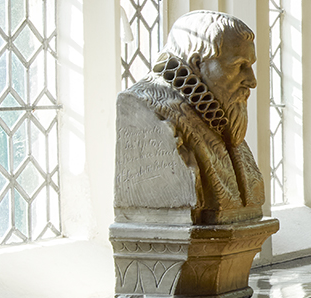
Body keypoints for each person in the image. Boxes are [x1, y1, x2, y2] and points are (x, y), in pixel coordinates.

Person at [114, 11, 267, 226]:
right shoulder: (145, 108)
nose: (252, 81)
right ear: (197, 63)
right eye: (239, 66)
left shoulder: (223, 118)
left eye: (250, 66)